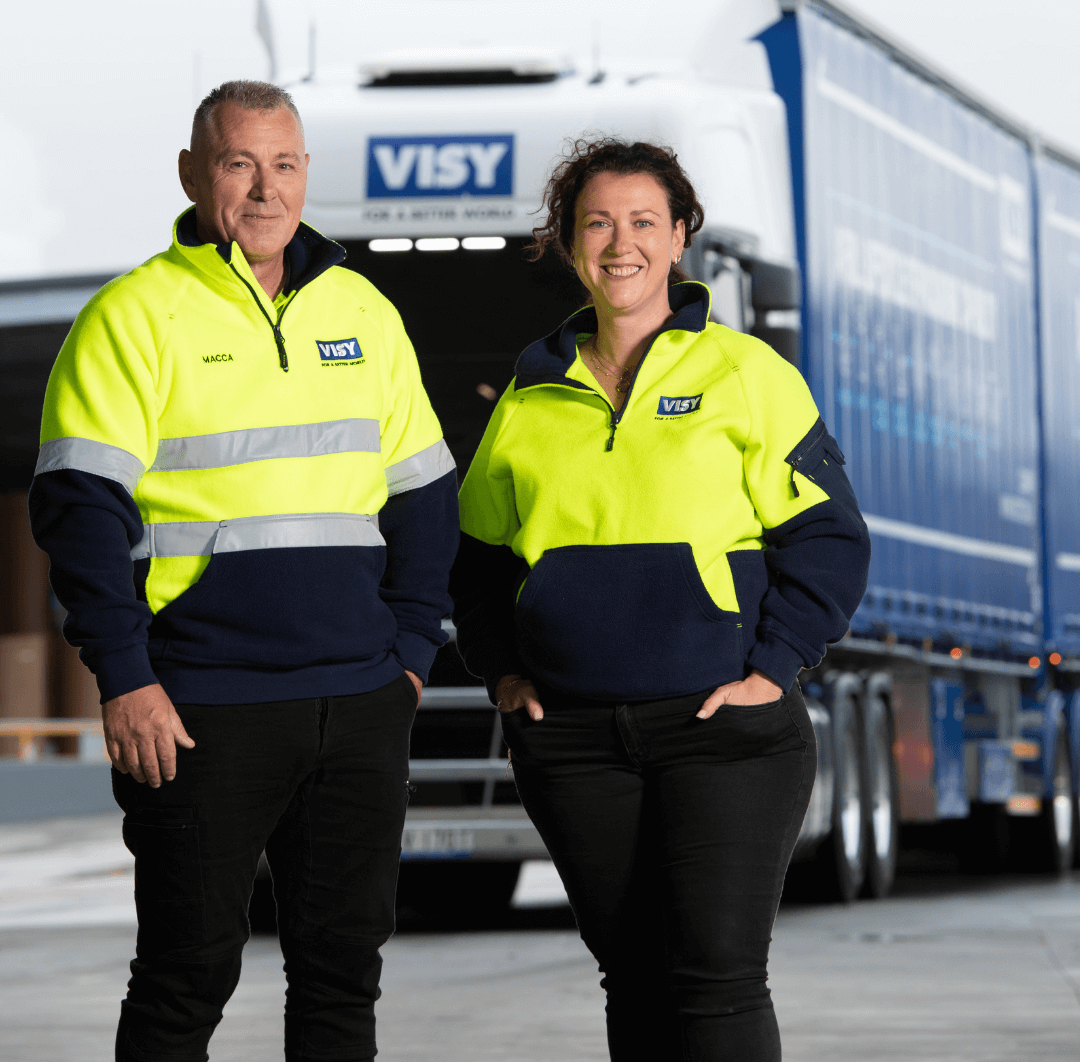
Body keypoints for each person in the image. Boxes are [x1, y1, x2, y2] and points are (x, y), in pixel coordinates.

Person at [29, 81, 458, 1062]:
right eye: (239, 163)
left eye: (286, 164)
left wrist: (407, 652)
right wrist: (127, 678)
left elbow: (428, 492)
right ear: (193, 174)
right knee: (188, 976)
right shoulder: (134, 316)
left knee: (343, 975)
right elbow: (79, 512)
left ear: (306, 174)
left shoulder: (363, 311)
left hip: (358, 700)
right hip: (199, 708)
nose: (265, 190)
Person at [450, 138, 871, 1062]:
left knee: (716, 976)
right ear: (568, 243)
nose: (621, 243)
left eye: (644, 221)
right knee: (633, 977)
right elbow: (477, 559)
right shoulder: (528, 396)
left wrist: (774, 667)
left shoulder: (746, 374)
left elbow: (830, 539)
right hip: (573, 740)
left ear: (681, 236)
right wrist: (503, 674)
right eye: (597, 222)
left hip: (724, 730)